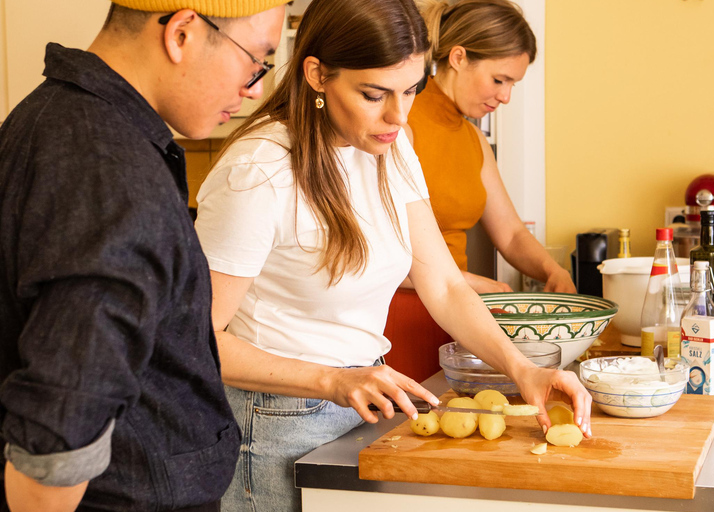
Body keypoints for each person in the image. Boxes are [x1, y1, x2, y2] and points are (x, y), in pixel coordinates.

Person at [194, 0, 592, 509]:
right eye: (374, 94)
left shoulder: (391, 147)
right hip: (275, 419)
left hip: (364, 406)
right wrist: (333, 380)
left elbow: (445, 286)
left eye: (411, 90)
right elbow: (198, 340)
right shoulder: (260, 170)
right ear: (317, 74)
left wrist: (523, 370)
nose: (398, 116)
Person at [0, 1, 287, 510]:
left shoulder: (52, 114)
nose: (255, 89)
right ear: (182, 33)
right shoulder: (111, 173)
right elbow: (65, 424)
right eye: (256, 60)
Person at [384, 0, 577, 381]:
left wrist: (552, 271)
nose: (505, 97)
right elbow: (385, 250)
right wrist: (484, 286)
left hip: (457, 316)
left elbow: (511, 233)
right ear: (458, 57)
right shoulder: (398, 125)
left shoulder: (473, 138)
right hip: (399, 318)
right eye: (499, 79)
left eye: (512, 85)